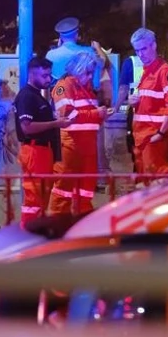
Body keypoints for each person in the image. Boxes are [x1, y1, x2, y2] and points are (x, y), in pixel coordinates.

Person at [49, 52, 107, 216]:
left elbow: (89, 119)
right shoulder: (63, 86)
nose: (90, 77)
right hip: (70, 145)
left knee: (86, 189)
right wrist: (96, 114)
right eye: (87, 72)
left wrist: (101, 115)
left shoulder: (86, 89)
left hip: (88, 145)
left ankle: (83, 221)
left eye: (91, 73)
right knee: (64, 188)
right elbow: (68, 114)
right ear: (78, 69)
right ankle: (57, 222)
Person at [15, 55, 70, 225]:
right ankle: (28, 232)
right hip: (34, 151)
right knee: (34, 197)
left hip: (43, 151)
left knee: (42, 195)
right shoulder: (27, 96)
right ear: (32, 74)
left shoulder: (37, 96)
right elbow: (27, 127)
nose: (48, 79)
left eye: (49, 75)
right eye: (44, 75)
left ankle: (37, 229)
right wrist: (56, 123)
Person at [128, 28, 168, 182]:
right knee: (145, 184)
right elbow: (151, 102)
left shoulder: (164, 71)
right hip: (143, 137)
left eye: (144, 49)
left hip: (154, 137)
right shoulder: (146, 71)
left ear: (154, 45)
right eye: (137, 50)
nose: (140, 54)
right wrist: (135, 102)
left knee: (156, 183)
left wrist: (160, 134)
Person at [46, 17, 109, 104]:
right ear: (76, 35)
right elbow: (102, 63)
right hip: (83, 96)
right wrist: (98, 48)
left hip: (59, 95)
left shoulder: (50, 54)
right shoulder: (87, 51)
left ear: (60, 37)